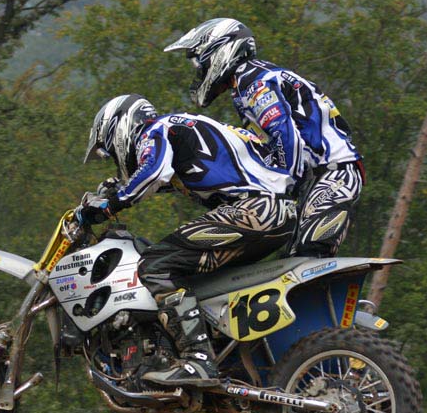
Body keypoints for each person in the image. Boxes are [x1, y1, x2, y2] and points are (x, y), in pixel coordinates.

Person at [78, 94, 296, 387]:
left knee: (156, 264)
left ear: (120, 128)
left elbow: (153, 173)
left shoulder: (157, 129)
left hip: (254, 211)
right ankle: (225, 357)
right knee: (191, 273)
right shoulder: (184, 129)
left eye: (110, 152)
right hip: (275, 212)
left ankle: (198, 359)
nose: (115, 159)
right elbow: (172, 177)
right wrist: (117, 187)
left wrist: (109, 206)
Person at [164, 18, 366, 257]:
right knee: (290, 261)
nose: (200, 70)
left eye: (201, 62)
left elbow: (284, 134)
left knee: (309, 255)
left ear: (220, 51)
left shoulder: (253, 81)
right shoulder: (252, 77)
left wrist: (283, 188)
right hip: (322, 174)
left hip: (333, 173)